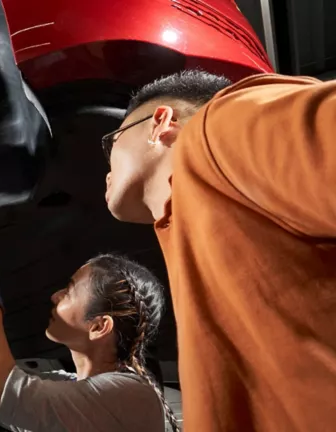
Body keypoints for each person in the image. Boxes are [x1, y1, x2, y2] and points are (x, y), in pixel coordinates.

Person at [103, 70, 336, 431]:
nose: (106, 169)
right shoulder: (186, 220)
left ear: (160, 123)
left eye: (111, 143)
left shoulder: (217, 130)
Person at [0, 251, 177, 431]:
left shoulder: (132, 396)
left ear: (99, 326)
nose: (55, 296)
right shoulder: (68, 391)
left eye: (69, 291)